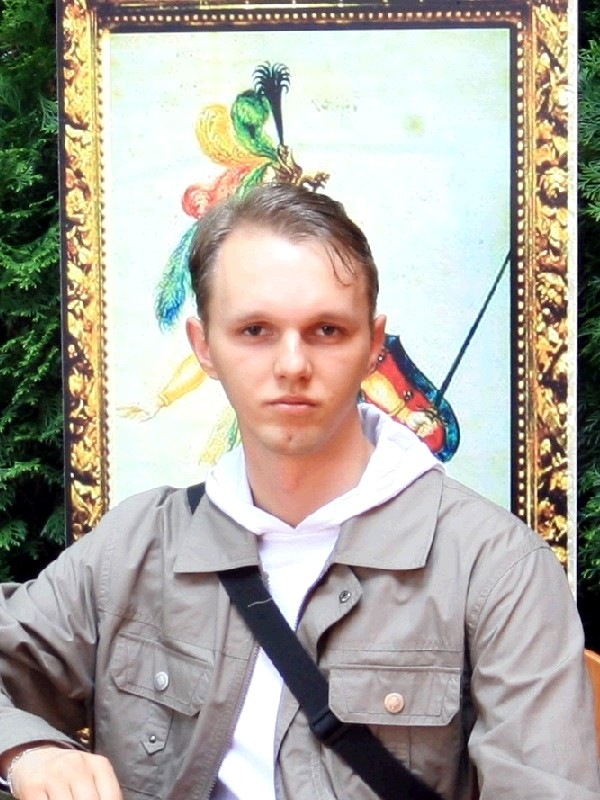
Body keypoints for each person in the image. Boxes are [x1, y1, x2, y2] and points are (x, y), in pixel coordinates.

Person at [0, 183, 598, 800]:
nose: (292, 365)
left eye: (327, 330)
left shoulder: (495, 570)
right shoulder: (136, 547)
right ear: (204, 347)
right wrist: (24, 752)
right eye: (255, 329)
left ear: (373, 344)